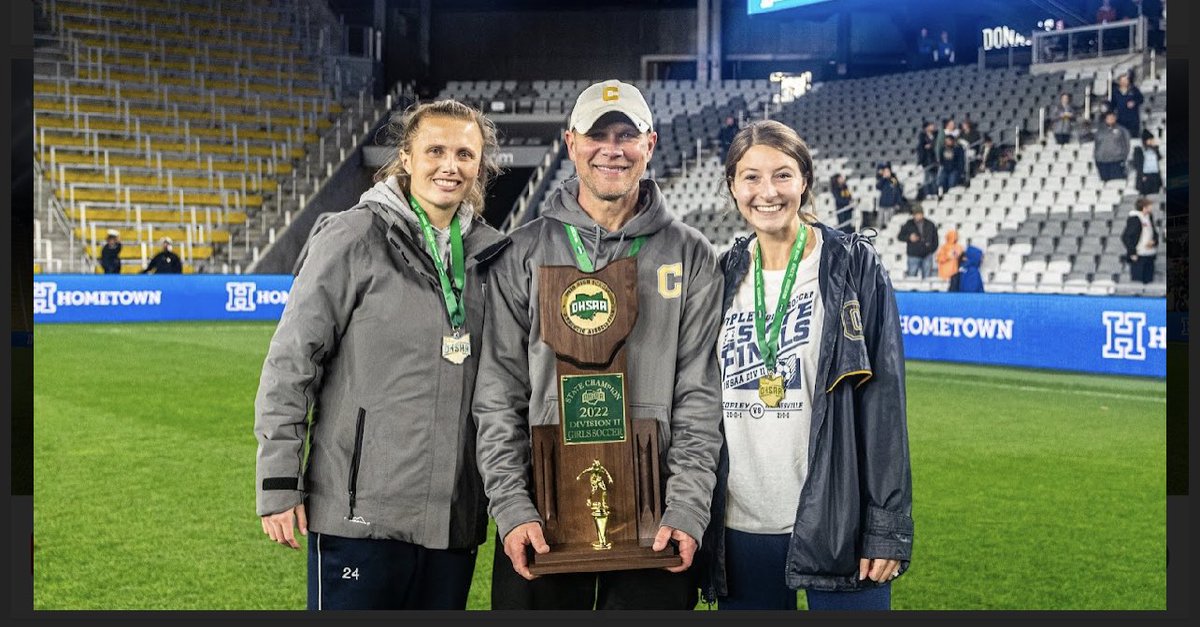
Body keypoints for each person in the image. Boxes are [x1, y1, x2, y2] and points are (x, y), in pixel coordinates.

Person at [473, 79, 723, 610]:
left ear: (650, 145)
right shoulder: (522, 251)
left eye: (627, 135)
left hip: (655, 520)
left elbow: (700, 397)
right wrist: (513, 508)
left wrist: (687, 507)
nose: (612, 148)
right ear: (570, 143)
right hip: (543, 516)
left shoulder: (692, 254)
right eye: (597, 134)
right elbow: (497, 395)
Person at [253, 99, 506, 610]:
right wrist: (278, 482)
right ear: (406, 158)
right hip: (358, 517)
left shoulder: (492, 254)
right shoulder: (352, 236)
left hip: (451, 524)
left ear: (482, 166)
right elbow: (291, 363)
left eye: (465, 154)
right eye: (434, 150)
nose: (449, 166)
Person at [699, 119, 912, 611]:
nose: (767, 191)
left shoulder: (853, 266)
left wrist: (886, 526)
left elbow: (884, 403)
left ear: (805, 181)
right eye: (750, 177)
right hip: (740, 525)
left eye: (782, 175)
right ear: (732, 186)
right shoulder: (721, 273)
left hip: (838, 522)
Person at [1120, 197, 1158, 284]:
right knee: (1138, 282)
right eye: (1150, 206)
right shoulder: (1135, 219)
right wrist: (1132, 252)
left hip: (1150, 254)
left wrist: (1154, 241)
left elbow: (1154, 233)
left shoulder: (1149, 217)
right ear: (1144, 207)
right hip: (1139, 255)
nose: (1151, 208)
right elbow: (1126, 237)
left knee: (1149, 281)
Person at [897, 206, 938, 278]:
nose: (917, 216)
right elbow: (900, 236)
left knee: (927, 278)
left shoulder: (930, 224)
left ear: (922, 214)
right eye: (915, 214)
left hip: (927, 255)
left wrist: (931, 250)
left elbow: (935, 239)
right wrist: (909, 238)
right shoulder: (908, 224)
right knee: (912, 277)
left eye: (919, 214)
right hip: (913, 255)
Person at [1094, 110, 1131, 182]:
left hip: (1116, 161)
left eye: (1112, 117)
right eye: (1109, 118)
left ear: (1115, 118)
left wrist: (1123, 157)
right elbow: (1096, 145)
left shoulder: (1122, 130)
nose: (1111, 119)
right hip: (1102, 162)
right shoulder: (1100, 130)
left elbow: (1127, 144)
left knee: (1117, 183)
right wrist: (1097, 157)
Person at [1109, 73, 1144, 138]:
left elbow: (1141, 99)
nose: (1125, 82)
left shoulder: (1133, 90)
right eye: (1123, 81)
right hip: (1121, 119)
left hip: (1133, 119)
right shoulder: (1115, 92)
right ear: (1119, 82)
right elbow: (1112, 105)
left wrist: (1134, 102)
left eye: (1126, 80)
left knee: (1133, 136)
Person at [1131, 130, 1162, 196]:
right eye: (1150, 139)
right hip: (1145, 176)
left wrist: (1155, 147)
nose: (1152, 141)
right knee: (1145, 196)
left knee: (1155, 195)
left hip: (1155, 175)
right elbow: (1137, 165)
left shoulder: (1155, 149)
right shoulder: (1138, 150)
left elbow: (1159, 158)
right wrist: (1142, 175)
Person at [874, 162, 905, 227]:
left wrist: (898, 203)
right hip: (882, 204)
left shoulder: (893, 180)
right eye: (885, 172)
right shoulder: (882, 180)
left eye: (888, 171)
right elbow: (878, 186)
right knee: (879, 221)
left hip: (891, 205)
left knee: (889, 222)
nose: (886, 173)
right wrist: (884, 178)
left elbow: (897, 192)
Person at [915, 122, 938, 200]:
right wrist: (920, 162)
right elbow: (921, 149)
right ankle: (928, 193)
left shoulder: (936, 135)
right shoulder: (922, 137)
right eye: (931, 126)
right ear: (926, 128)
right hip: (927, 160)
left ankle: (934, 192)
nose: (933, 127)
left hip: (934, 159)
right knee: (927, 177)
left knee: (934, 177)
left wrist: (931, 145)